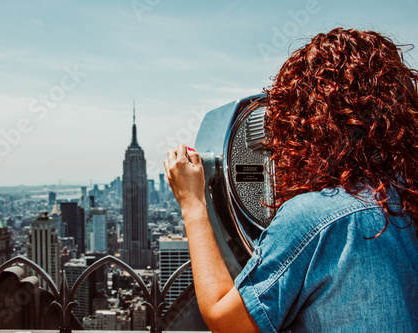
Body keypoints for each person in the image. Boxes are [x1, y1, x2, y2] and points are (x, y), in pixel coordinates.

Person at [164, 28, 418, 333]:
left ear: (307, 123)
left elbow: (227, 320)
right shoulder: (404, 198)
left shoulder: (315, 217)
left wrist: (193, 204)